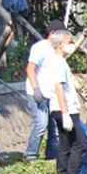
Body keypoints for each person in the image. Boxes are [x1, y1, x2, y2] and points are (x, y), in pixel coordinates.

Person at [35, 26, 86, 174]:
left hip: (60, 108)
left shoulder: (57, 61)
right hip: (65, 108)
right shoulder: (57, 62)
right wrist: (65, 114)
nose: (72, 45)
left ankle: (62, 173)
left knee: (65, 142)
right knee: (80, 143)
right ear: (60, 44)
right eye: (69, 42)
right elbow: (59, 87)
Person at [24, 20, 67, 161]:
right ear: (52, 33)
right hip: (37, 93)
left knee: (53, 126)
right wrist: (36, 89)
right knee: (41, 123)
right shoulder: (40, 48)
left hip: (52, 94)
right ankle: (31, 155)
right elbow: (30, 69)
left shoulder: (57, 49)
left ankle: (52, 155)